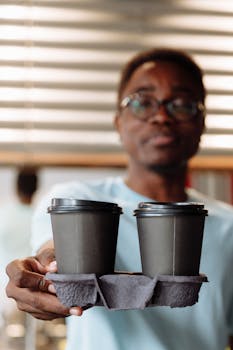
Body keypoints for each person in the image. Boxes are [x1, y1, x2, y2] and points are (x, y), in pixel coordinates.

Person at [5, 48, 233, 350]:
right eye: (142, 101)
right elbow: (53, 252)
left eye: (181, 104)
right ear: (118, 123)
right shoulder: (77, 200)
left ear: (202, 122)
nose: (161, 116)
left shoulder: (228, 226)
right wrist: (50, 268)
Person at [0, 166, 38, 334]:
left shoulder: (3, 215)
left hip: (3, 290)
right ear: (36, 188)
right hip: (32, 290)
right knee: (30, 337)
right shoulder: (39, 217)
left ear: (16, 187)